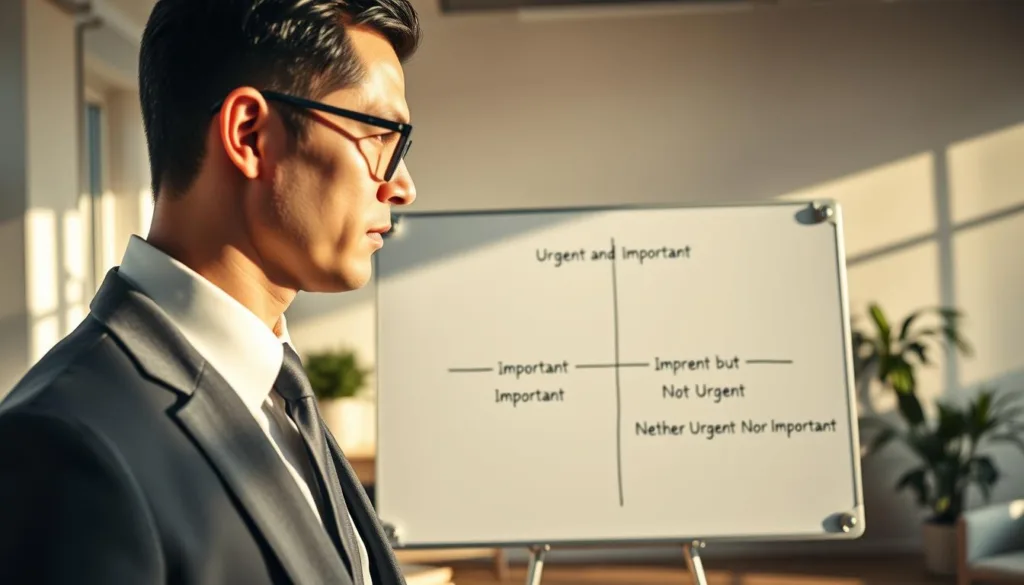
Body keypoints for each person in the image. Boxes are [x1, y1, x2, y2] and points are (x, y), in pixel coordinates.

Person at [0, 0, 420, 583]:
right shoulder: (65, 446)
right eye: (380, 134)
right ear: (249, 134)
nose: (403, 185)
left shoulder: (278, 391)